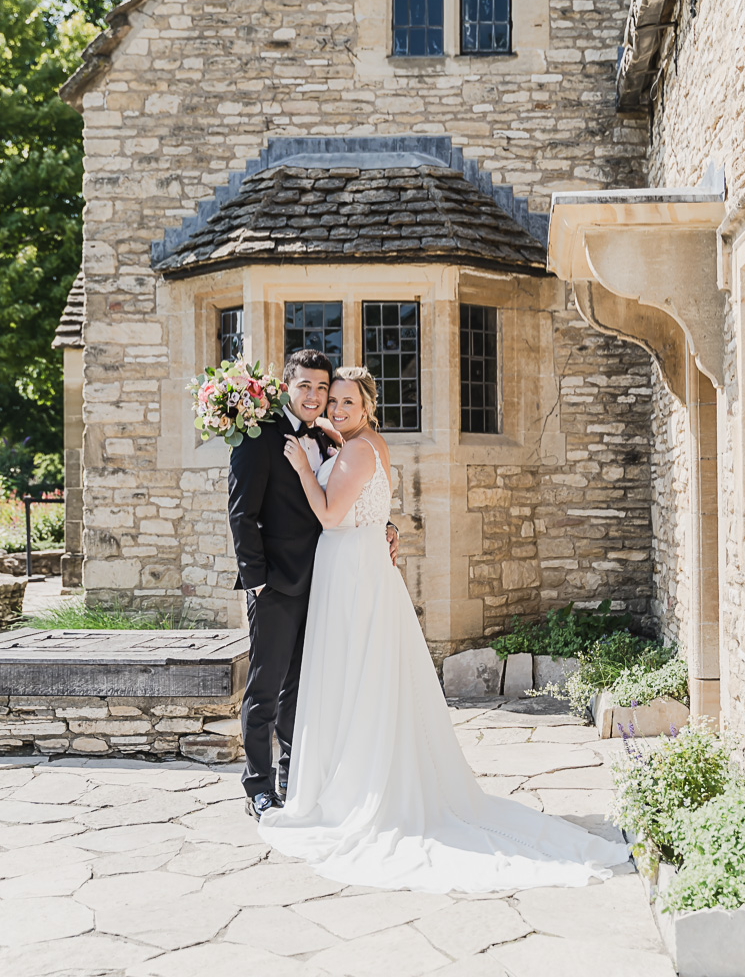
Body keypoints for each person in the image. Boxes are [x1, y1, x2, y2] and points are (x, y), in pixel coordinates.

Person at [257, 366, 631, 892]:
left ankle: (359, 789)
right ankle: (358, 774)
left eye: (346, 402)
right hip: (359, 564)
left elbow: (328, 514)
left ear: (367, 407)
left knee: (354, 675)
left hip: (351, 570)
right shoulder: (360, 444)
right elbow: (372, 507)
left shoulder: (357, 449)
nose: (336, 409)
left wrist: (300, 467)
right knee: (364, 677)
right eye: (332, 400)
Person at [227, 349, 398, 820]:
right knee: (265, 688)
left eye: (323, 388)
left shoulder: (329, 438)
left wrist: (386, 527)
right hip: (277, 586)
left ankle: (292, 777)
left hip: (325, 585)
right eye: (306, 386)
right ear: (287, 386)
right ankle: (258, 786)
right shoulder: (258, 436)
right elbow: (241, 514)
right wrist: (257, 583)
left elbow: (353, 496)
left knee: (301, 691)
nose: (316, 396)